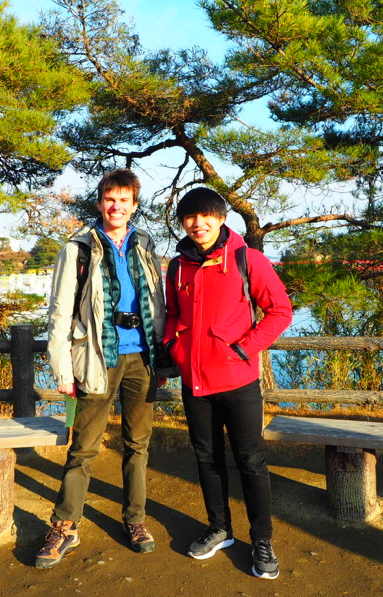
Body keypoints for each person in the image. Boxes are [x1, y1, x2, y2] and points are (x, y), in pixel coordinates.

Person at [36, 169, 173, 569]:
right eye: (110, 200)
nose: (117, 207)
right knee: (83, 448)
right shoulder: (77, 248)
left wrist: (161, 358)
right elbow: (60, 312)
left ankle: (135, 519)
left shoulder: (145, 243)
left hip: (141, 359)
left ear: (134, 205)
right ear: (100, 204)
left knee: (138, 445)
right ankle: (65, 526)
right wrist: (62, 369)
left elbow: (158, 304)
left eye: (124, 200)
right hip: (97, 357)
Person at [163, 188, 293, 580]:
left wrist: (244, 349)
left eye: (205, 216)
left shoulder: (246, 259)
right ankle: (220, 528)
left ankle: (262, 541)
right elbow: (171, 314)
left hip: (238, 381)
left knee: (250, 462)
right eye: (189, 217)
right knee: (207, 459)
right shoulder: (178, 266)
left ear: (220, 218)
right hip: (195, 383)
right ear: (182, 222)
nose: (197, 224)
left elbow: (280, 310)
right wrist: (174, 346)